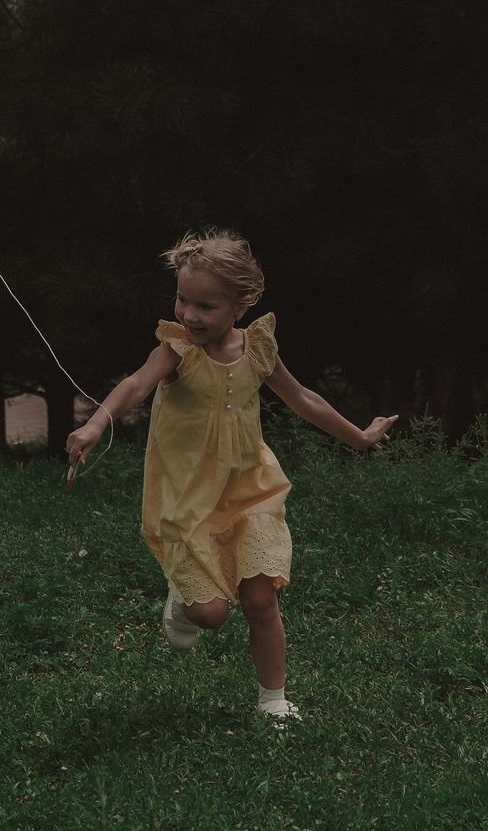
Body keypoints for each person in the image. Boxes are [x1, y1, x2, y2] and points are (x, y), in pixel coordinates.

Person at [65, 230, 399, 725]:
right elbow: (135, 384)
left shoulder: (258, 348)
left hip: (250, 487)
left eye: (206, 306)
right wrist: (96, 423)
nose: (189, 315)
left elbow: (303, 397)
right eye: (182, 299)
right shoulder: (177, 349)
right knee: (212, 616)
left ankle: (273, 700)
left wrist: (360, 438)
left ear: (241, 305)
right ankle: (185, 601)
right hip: (188, 495)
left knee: (260, 599)